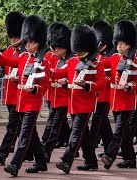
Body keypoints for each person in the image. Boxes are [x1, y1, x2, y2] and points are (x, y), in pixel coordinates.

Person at [0, 15, 49, 176]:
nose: (27, 45)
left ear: (39, 42)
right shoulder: (23, 58)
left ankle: (15, 164)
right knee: (31, 135)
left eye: (31, 42)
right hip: (20, 102)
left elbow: (44, 85)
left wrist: (34, 89)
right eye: (27, 42)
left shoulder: (44, 62)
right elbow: (7, 61)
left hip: (32, 103)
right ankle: (41, 162)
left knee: (25, 134)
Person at [53, 25, 106, 173]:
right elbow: (58, 73)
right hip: (73, 104)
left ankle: (66, 161)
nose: (78, 52)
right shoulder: (72, 61)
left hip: (85, 105)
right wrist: (47, 71)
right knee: (84, 136)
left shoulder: (96, 64)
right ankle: (91, 162)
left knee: (75, 134)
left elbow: (101, 84)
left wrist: (87, 85)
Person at [100, 20, 137, 169]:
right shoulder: (115, 58)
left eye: (121, 44)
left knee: (119, 131)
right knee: (125, 133)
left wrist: (129, 86)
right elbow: (101, 65)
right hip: (115, 101)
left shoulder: (135, 59)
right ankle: (130, 159)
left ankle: (109, 155)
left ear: (129, 44)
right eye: (117, 44)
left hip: (127, 101)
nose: (118, 46)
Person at [0, 11, 27, 165]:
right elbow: (0, 59)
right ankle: (33, 152)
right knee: (22, 127)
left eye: (16, 37)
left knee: (13, 125)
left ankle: (3, 151)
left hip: (21, 94)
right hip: (9, 94)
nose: (13, 40)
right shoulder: (10, 51)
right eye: (12, 37)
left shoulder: (27, 53)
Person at [42, 22, 72, 163]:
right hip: (54, 97)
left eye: (57, 47)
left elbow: (66, 73)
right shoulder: (57, 58)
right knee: (53, 124)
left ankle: (46, 151)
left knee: (54, 127)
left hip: (65, 98)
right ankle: (86, 154)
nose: (54, 49)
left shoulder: (71, 60)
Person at [90, 20, 114, 157]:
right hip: (97, 92)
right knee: (102, 121)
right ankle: (109, 147)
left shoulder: (111, 56)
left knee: (98, 119)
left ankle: (91, 146)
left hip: (107, 93)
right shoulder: (98, 55)